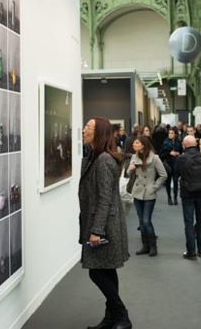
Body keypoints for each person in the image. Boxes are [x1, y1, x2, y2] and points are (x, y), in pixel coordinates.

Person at [79, 117, 131, 329]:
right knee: (106, 270)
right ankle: (111, 318)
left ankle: (121, 316)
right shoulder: (94, 157)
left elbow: (105, 198)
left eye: (88, 128)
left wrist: (97, 231)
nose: (83, 130)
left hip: (105, 225)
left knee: (97, 271)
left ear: (99, 133)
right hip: (100, 222)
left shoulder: (104, 161)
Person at [127, 135, 167, 257]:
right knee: (141, 221)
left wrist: (154, 187)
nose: (134, 144)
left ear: (143, 145)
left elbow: (163, 175)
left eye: (137, 143)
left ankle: (153, 246)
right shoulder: (134, 157)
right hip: (137, 191)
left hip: (149, 192)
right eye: (134, 143)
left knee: (146, 220)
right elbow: (129, 174)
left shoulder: (154, 158)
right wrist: (130, 168)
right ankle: (145, 246)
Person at [175, 135, 201, 259]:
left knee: (189, 222)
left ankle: (191, 252)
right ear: (196, 144)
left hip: (188, 193)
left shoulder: (181, 158)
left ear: (184, 145)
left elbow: (177, 173)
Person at [160, 127, 182, 205]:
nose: (170, 134)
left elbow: (181, 151)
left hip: (176, 163)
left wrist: (178, 154)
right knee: (168, 181)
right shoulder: (165, 142)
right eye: (169, 133)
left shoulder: (178, 142)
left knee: (176, 181)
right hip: (168, 163)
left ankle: (175, 197)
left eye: (172, 133)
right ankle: (169, 197)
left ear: (175, 134)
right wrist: (169, 153)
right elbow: (161, 155)